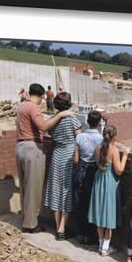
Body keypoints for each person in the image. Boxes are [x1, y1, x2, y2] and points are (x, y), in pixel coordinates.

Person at [15, 83, 74, 233]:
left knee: (24, 186)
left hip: (20, 147)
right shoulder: (33, 107)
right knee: (33, 188)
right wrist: (60, 115)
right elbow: (42, 126)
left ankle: (26, 219)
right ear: (42, 96)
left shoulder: (21, 106)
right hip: (32, 148)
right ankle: (31, 224)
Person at [44, 92, 82, 240]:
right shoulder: (72, 119)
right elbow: (79, 139)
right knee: (66, 191)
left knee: (55, 189)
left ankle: (56, 225)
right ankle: (62, 228)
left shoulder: (53, 120)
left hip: (57, 154)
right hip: (69, 155)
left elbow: (48, 131)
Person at [88, 125, 128, 256]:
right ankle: (106, 248)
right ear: (114, 136)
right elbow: (119, 170)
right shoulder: (114, 150)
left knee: (100, 213)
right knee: (109, 213)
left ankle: (100, 245)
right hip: (109, 182)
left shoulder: (98, 148)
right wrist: (126, 155)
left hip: (99, 180)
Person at [73, 111, 103, 244]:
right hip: (94, 171)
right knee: (92, 203)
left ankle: (81, 233)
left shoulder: (80, 137)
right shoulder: (101, 139)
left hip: (81, 170)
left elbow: (75, 159)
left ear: (87, 122)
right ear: (99, 123)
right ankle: (91, 236)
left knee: (81, 202)